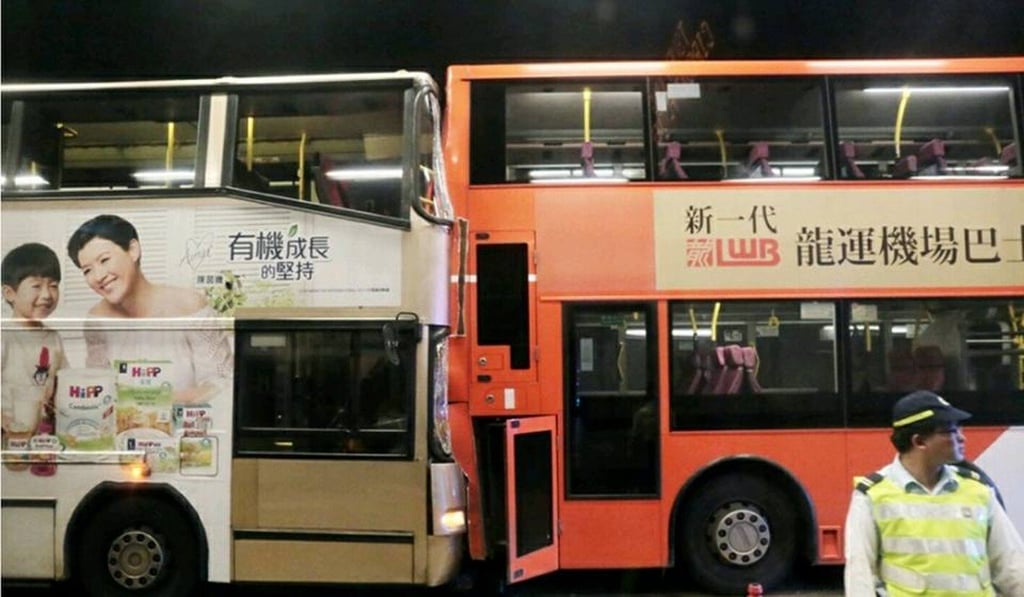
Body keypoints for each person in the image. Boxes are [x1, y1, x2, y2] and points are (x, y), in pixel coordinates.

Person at [844, 390, 1024, 596]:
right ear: (919, 441)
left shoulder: (978, 490)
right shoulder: (872, 495)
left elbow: (1012, 565)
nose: (961, 437)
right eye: (950, 431)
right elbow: (860, 573)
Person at [66, 214, 232, 404]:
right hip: (125, 422)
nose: (98, 276)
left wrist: (156, 403)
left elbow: (221, 382)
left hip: (187, 420)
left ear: (133, 250)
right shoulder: (97, 320)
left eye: (104, 260)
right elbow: (100, 388)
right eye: (87, 270)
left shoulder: (189, 305)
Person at [1, 243, 69, 435]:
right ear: (10, 293)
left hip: (43, 431)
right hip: (9, 432)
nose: (47, 295)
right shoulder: (5, 335)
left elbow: (64, 381)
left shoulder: (53, 338)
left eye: (53, 286)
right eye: (36, 286)